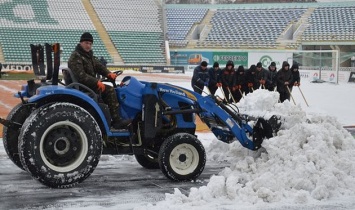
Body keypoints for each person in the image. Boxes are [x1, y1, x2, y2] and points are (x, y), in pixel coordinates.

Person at [68, 32, 131, 129]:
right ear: (81, 43)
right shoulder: (76, 56)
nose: (88, 45)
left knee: (113, 87)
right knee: (110, 90)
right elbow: (81, 76)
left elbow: (99, 66)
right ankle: (116, 120)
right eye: (86, 43)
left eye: (90, 43)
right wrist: (96, 82)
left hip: (88, 84)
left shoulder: (88, 55)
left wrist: (108, 73)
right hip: (84, 86)